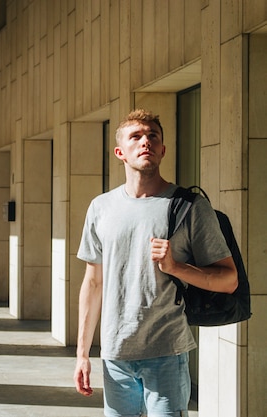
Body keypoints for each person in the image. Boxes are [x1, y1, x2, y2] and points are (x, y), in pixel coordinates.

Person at [72, 109, 238, 417]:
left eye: (153, 136)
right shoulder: (101, 208)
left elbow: (229, 279)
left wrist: (176, 267)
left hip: (166, 352)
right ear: (120, 152)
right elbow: (93, 283)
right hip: (115, 354)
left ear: (162, 150)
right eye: (136, 136)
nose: (145, 141)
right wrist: (83, 353)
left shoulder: (189, 207)